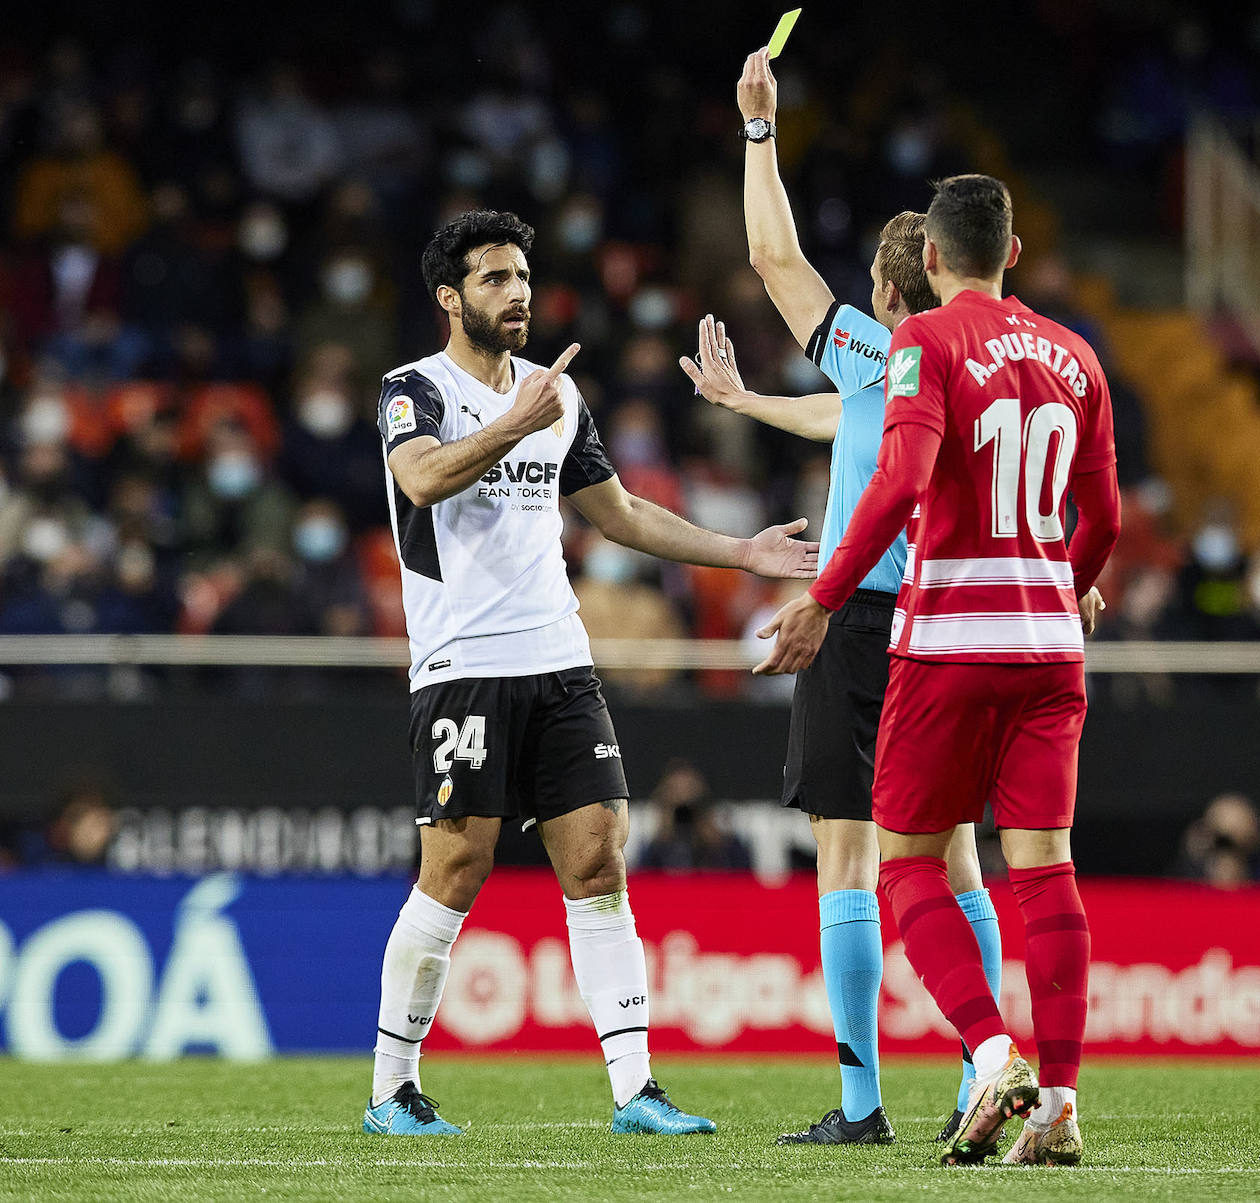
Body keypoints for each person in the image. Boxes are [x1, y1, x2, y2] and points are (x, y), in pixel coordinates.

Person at [366, 209, 818, 1137]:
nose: (517, 291)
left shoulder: (557, 395)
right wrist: (512, 424)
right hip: (462, 665)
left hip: (560, 658)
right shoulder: (413, 389)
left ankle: (635, 1090)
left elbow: (619, 515)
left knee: (600, 859)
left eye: (523, 275)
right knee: (456, 865)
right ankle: (392, 1088)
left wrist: (744, 551)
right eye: (494, 278)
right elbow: (420, 480)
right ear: (450, 298)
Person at [756, 174, 1121, 1167]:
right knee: (1039, 866)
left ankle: (985, 1053)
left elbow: (901, 477)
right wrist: (1069, 585)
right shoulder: (1077, 355)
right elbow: (1109, 520)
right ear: (1013, 252)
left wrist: (823, 598)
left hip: (945, 635)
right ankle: (1059, 1101)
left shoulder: (916, 344)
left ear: (924, 263)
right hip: (1049, 647)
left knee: (898, 860)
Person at [675, 47, 1003, 1147]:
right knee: (956, 855)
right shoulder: (970, 366)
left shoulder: (879, 345)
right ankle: (979, 1074)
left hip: (862, 622)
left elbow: (773, 258)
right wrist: (748, 397)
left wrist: (760, 128)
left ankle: (862, 1105)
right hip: (954, 626)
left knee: (847, 855)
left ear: (886, 289)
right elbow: (846, 423)